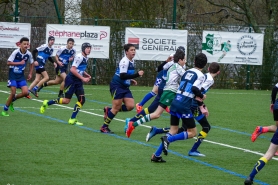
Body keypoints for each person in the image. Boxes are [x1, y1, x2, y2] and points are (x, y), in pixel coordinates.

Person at [146, 62, 220, 157]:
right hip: (192, 105)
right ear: (218, 72)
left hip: (180, 101)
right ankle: (193, 149)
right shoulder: (209, 80)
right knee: (204, 127)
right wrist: (201, 106)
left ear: (208, 69)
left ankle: (157, 148)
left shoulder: (202, 75)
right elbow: (198, 92)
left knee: (180, 129)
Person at [151, 53, 208, 162]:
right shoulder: (200, 75)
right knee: (192, 132)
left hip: (175, 101)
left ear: (194, 62)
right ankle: (168, 140)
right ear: (204, 65)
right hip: (184, 104)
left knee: (173, 130)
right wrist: (202, 95)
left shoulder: (187, 71)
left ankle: (156, 155)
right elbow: (195, 89)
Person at [126, 49, 186, 138]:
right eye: (184, 59)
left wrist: (167, 62)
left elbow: (161, 68)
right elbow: (186, 77)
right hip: (170, 92)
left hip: (168, 91)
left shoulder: (172, 64)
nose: (185, 61)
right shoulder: (178, 67)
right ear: (180, 59)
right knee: (180, 109)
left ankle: (133, 124)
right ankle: (179, 129)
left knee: (156, 113)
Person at [39, 42, 92, 126]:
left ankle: (72, 119)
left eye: (90, 48)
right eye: (87, 48)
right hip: (71, 80)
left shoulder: (86, 58)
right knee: (66, 101)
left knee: (82, 100)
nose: (89, 49)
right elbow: (72, 70)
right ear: (83, 49)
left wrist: (86, 74)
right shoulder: (79, 57)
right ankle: (47, 103)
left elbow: (79, 69)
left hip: (78, 82)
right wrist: (83, 78)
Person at [100, 44, 144, 133]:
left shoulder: (132, 60)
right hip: (117, 85)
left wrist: (131, 79)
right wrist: (137, 75)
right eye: (131, 50)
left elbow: (125, 74)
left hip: (125, 86)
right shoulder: (124, 61)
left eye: (134, 50)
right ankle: (104, 127)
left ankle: (109, 110)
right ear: (126, 52)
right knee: (116, 108)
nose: (133, 51)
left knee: (130, 106)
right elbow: (122, 75)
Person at [2, 37, 34, 116]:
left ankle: (13, 99)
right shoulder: (15, 52)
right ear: (20, 44)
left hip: (21, 76)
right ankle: (5, 110)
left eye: (27, 44)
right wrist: (19, 63)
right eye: (24, 44)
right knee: (13, 92)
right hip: (12, 75)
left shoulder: (28, 54)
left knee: (26, 92)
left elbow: (32, 63)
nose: (26, 45)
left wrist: (30, 73)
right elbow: (8, 63)